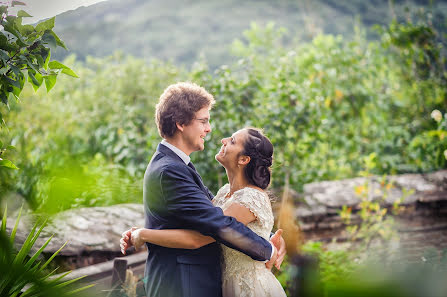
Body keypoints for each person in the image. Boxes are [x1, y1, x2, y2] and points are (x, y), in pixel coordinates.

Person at [120, 82, 285, 297]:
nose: (209, 129)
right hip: (182, 285)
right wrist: (268, 250)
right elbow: (216, 224)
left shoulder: (179, 165)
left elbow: (220, 214)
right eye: (203, 121)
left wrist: (266, 233)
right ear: (180, 123)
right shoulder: (170, 170)